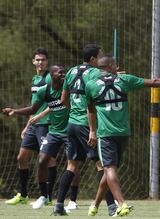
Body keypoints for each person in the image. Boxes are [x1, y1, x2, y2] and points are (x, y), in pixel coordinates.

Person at [85, 55, 160, 217]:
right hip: (123, 133)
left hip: (106, 134)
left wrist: (92, 130)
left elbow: (90, 109)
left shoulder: (90, 85)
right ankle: (96, 206)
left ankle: (120, 204)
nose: (117, 66)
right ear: (109, 66)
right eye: (115, 64)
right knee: (111, 170)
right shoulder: (124, 80)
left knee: (109, 169)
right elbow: (155, 82)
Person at [52, 44, 115, 216]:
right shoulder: (94, 73)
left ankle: (58, 205)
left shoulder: (71, 71)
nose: (102, 58)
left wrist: (73, 110)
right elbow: (98, 92)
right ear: (93, 59)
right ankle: (112, 207)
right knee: (102, 165)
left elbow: (64, 98)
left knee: (71, 166)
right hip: (86, 125)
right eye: (100, 55)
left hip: (71, 124)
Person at [3, 65, 69, 209]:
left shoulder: (68, 86)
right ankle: (43, 196)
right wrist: (15, 111)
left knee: (74, 164)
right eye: (60, 72)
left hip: (69, 129)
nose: (63, 74)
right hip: (52, 130)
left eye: (64, 72)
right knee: (40, 159)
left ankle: (70, 201)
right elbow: (33, 108)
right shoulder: (43, 89)